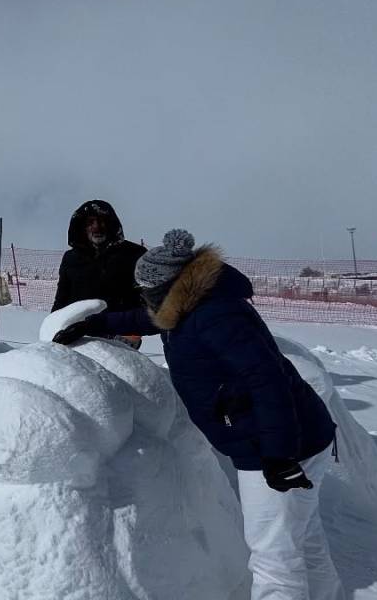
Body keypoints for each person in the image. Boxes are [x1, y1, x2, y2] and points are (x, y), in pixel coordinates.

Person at [54, 229, 341, 600]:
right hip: (300, 434)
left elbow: (267, 381)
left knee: (274, 558)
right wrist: (97, 324)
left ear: (170, 287)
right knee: (304, 536)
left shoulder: (216, 316)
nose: (144, 298)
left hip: (275, 447)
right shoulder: (193, 305)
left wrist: (278, 455)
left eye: (147, 291)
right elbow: (150, 319)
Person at [51, 199, 147, 347]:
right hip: (77, 337)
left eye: (102, 222)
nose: (97, 227)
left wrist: (132, 335)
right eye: (90, 222)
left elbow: (144, 300)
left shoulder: (133, 254)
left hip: (120, 337)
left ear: (112, 224)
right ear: (82, 227)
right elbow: (61, 299)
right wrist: (52, 329)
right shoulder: (71, 258)